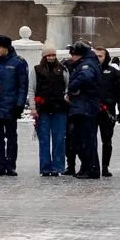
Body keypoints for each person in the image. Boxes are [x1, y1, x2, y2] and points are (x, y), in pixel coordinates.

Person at [0, 35, 28, 176]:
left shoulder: (18, 63)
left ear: (6, 48)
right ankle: (0, 164)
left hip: (11, 105)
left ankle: (11, 165)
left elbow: (23, 85)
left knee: (11, 137)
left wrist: (19, 104)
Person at [65, 43, 103, 179]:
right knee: (85, 139)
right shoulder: (90, 62)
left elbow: (86, 77)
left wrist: (71, 88)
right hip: (85, 106)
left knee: (85, 139)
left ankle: (90, 168)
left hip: (84, 107)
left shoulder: (87, 65)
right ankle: (87, 167)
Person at [32, 46, 69, 176]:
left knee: (59, 139)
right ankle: (45, 167)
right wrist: (33, 108)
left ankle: (58, 167)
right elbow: (32, 90)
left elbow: (67, 88)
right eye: (48, 55)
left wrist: (66, 99)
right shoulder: (36, 70)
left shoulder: (63, 70)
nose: (51, 57)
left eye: (53, 55)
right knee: (44, 140)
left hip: (60, 108)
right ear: (44, 56)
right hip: (43, 109)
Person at [91, 46, 120, 178]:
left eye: (100, 56)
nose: (98, 58)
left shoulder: (113, 72)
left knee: (107, 140)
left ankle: (105, 166)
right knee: (90, 140)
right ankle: (91, 165)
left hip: (107, 111)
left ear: (106, 57)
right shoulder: (88, 71)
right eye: (95, 56)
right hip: (91, 111)